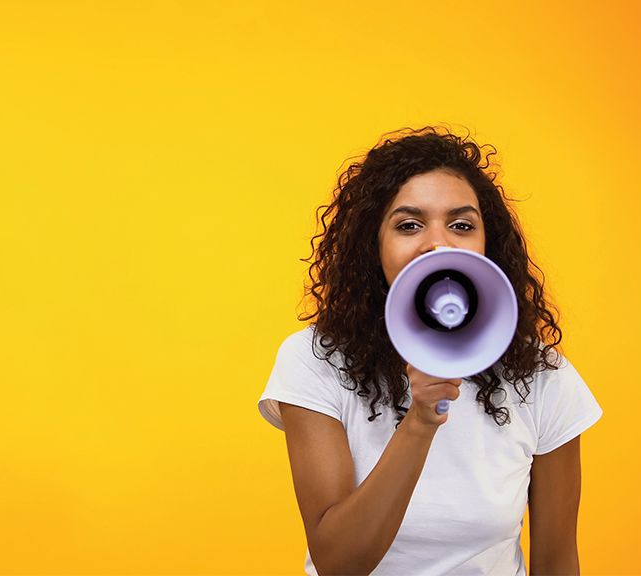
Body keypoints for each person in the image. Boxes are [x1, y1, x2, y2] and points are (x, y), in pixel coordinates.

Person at [257, 127, 602, 575]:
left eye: (461, 225)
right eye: (409, 225)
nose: (438, 243)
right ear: (372, 246)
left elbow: (556, 561)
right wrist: (419, 422)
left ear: (487, 246)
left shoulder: (540, 375)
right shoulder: (314, 360)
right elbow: (338, 563)